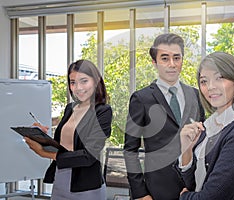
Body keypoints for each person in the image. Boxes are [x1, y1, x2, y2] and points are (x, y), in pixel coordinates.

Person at [123, 33, 205, 200]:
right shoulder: (141, 99)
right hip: (155, 192)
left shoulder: (196, 96)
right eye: (165, 58)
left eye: (177, 58)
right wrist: (140, 193)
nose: (172, 64)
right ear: (154, 62)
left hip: (192, 189)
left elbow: (202, 143)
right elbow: (130, 150)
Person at [177, 52, 234, 200]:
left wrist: (184, 197)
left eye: (219, 78)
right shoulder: (208, 126)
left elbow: (211, 197)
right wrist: (186, 150)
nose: (210, 87)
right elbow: (193, 183)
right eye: (204, 81)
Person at [24, 59, 112, 200]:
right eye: (73, 82)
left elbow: (88, 156)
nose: (78, 87)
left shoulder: (103, 111)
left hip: (87, 188)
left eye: (84, 81)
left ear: (95, 82)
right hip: (60, 181)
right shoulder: (70, 109)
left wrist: (46, 153)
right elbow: (64, 145)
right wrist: (40, 136)